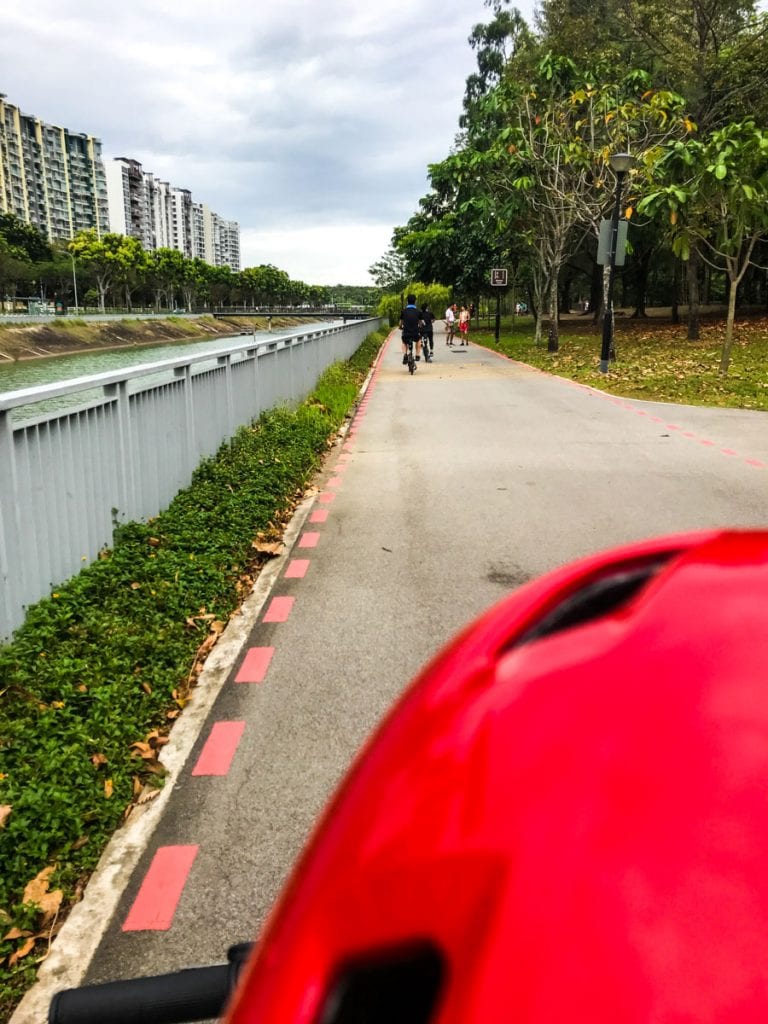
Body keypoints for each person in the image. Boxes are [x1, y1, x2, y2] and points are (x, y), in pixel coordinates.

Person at [399, 293, 422, 365]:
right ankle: (417, 355)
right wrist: (420, 327)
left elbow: (401, 322)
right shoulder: (418, 312)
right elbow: (420, 323)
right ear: (415, 302)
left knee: (404, 342)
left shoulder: (403, 311)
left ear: (407, 302)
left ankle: (405, 354)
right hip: (415, 332)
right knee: (418, 340)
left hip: (406, 332)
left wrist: (400, 327)